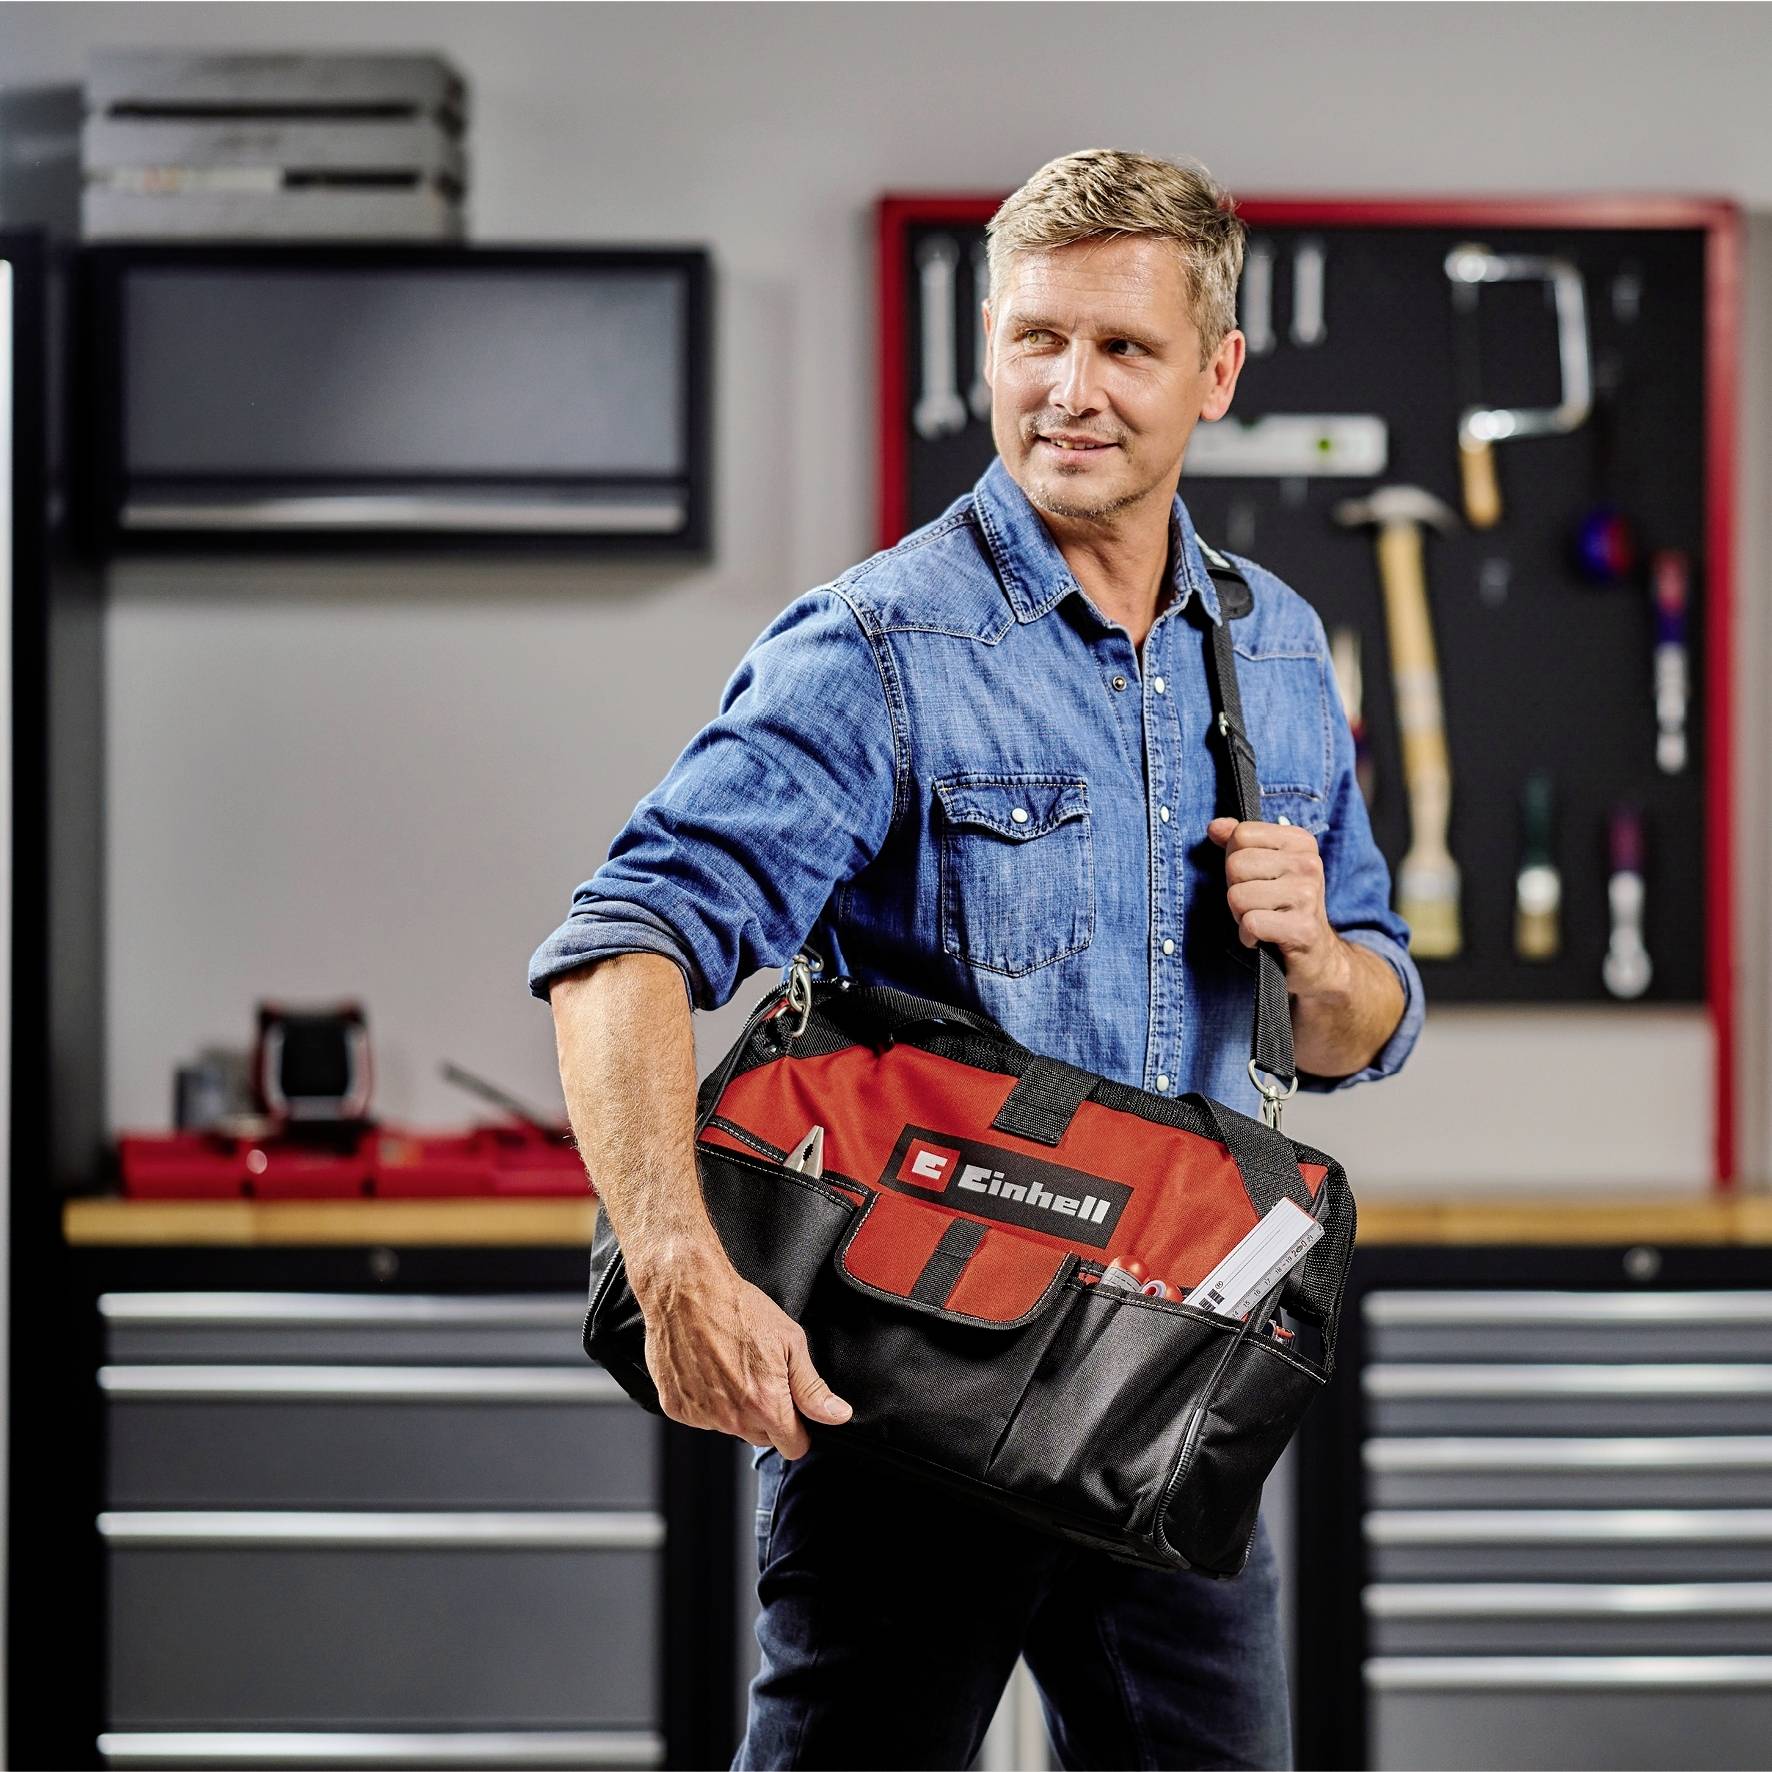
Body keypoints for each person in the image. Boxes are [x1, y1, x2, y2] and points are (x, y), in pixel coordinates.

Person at [530, 147, 1423, 1772]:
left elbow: (1366, 1018)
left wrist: (1313, 955)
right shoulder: (878, 646)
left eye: (1125, 349)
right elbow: (624, 947)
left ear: (1217, 372)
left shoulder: (1280, 649)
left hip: (1170, 1403)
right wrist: (674, 1269)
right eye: (1034, 340)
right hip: (904, 1409)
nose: (1068, 392)